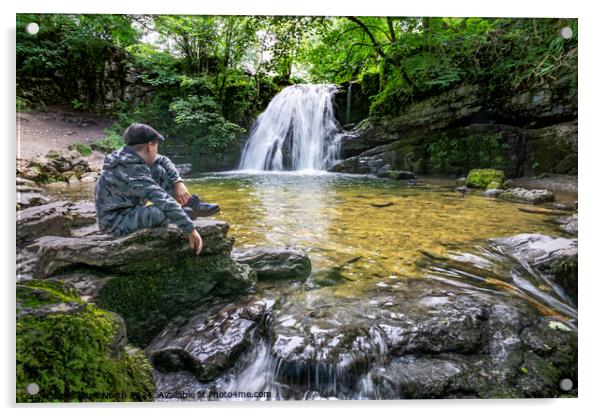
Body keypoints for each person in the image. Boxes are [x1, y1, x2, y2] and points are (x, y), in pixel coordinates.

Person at [94, 123, 220, 255]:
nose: (157, 150)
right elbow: (162, 199)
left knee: (158, 169)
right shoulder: (131, 169)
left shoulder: (130, 156)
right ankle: (185, 213)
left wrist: (178, 182)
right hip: (115, 222)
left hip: (128, 209)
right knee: (161, 211)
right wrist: (190, 229)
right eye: (156, 146)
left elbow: (163, 160)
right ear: (150, 146)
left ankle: (190, 205)